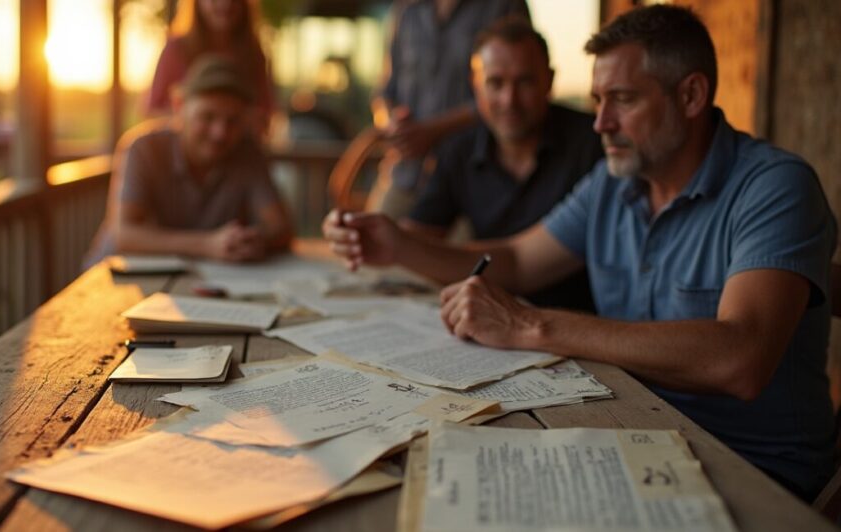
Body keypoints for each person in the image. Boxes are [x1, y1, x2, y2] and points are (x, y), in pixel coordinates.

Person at [325, 5, 836, 501]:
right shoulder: (615, 183)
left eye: (623, 99)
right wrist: (397, 245)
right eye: (597, 100)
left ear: (692, 95)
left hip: (756, 474)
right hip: (635, 435)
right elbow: (520, 259)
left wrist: (532, 325)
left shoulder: (775, 187)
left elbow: (739, 358)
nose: (600, 123)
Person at [397, 17, 602, 310]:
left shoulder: (595, 144)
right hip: (486, 317)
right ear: (475, 86)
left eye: (525, 82)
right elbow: (418, 236)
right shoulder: (458, 151)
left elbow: (518, 263)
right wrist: (379, 237)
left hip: (577, 321)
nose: (510, 100)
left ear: (550, 81)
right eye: (495, 83)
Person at [85, 55, 292, 266]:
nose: (220, 133)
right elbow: (125, 235)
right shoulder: (143, 148)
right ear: (178, 105)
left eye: (233, 121)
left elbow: (281, 229)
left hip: (189, 279)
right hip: (115, 276)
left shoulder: (248, 153)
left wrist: (251, 241)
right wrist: (207, 245)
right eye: (207, 117)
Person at [368, 0, 531, 218]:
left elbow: (509, 97)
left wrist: (431, 132)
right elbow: (385, 91)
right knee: (368, 241)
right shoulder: (407, 10)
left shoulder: (504, 6)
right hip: (407, 173)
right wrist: (393, 125)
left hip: (472, 178)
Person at [144, 0, 274, 135]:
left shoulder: (253, 53)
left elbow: (266, 114)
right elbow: (153, 112)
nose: (225, 4)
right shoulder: (176, 48)